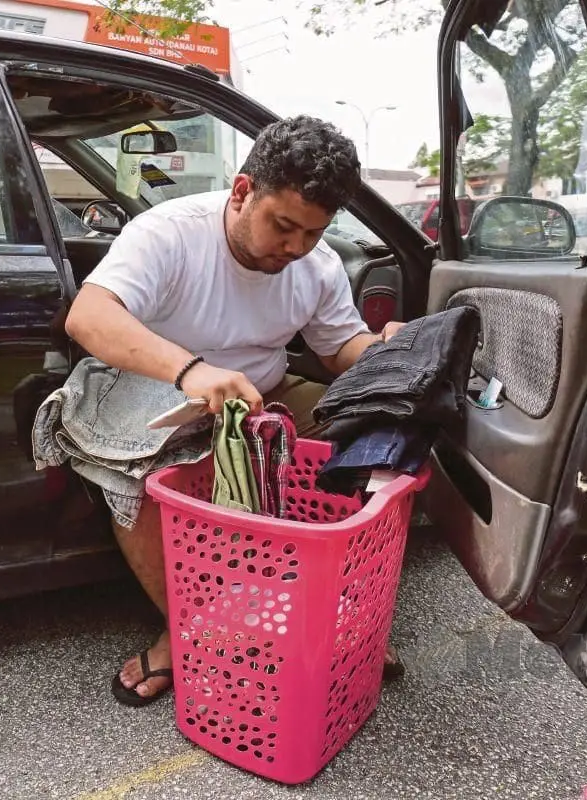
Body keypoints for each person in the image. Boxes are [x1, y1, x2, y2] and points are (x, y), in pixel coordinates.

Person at [64, 115, 406, 706]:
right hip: (155, 386)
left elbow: (338, 350)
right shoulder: (169, 233)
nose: (295, 247)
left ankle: (344, 616)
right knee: (136, 475)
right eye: (284, 226)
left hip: (262, 398)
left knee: (376, 439)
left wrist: (389, 352)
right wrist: (193, 372)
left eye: (314, 233)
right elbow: (89, 317)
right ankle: (187, 631)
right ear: (243, 191)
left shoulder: (315, 265)